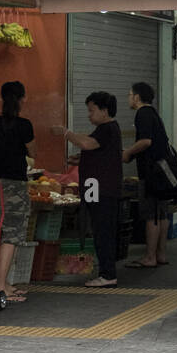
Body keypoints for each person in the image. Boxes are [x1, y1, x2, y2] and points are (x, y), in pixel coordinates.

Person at [59, 92, 123, 287]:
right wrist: (81, 159)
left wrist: (65, 133)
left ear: (104, 111)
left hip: (102, 190)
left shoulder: (107, 128)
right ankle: (106, 271)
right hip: (98, 189)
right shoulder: (106, 129)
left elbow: (86, 143)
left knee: (102, 230)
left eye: (91, 110)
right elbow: (98, 153)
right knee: (100, 229)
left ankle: (108, 274)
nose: (89, 115)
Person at [0, 81, 33, 302]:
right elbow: (33, 153)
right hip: (15, 185)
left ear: (1, 98)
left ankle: (2, 283)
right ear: (22, 99)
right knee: (11, 236)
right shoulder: (24, 126)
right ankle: (0, 288)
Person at [123, 82, 174, 268]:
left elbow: (145, 141)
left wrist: (128, 152)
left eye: (130, 94)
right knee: (161, 214)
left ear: (137, 97)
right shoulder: (153, 113)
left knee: (151, 215)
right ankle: (161, 254)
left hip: (151, 172)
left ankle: (150, 257)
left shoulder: (142, 114)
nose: (128, 98)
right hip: (162, 171)